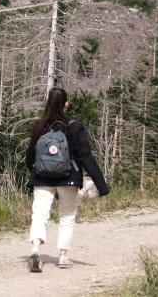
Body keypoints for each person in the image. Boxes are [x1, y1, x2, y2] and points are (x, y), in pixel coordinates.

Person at [25, 87, 109, 272]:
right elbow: (85, 156)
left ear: (47, 102)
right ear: (66, 104)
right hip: (68, 179)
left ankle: (35, 250)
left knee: (39, 215)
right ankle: (63, 257)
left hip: (42, 179)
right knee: (67, 217)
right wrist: (101, 186)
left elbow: (30, 156)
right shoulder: (74, 126)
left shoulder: (39, 126)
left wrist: (36, 172)